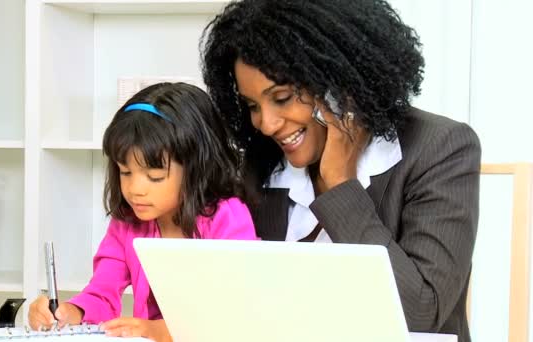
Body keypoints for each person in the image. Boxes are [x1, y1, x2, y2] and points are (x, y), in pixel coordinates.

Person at [200, 1, 480, 341]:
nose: (267, 124)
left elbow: (419, 314)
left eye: (283, 97)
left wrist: (341, 185)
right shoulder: (264, 163)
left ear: (339, 84)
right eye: (252, 106)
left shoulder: (440, 147)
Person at [28, 83, 258, 341]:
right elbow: (102, 293)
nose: (135, 189)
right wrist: (70, 312)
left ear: (196, 169)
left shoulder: (228, 218)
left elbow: (235, 309)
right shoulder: (128, 222)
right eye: (125, 172)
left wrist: (159, 331)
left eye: (155, 176)